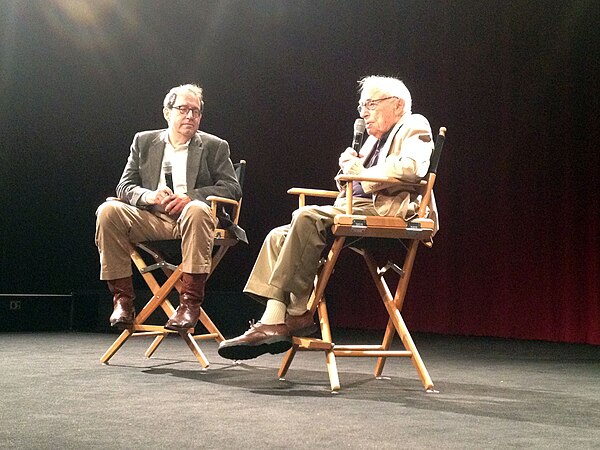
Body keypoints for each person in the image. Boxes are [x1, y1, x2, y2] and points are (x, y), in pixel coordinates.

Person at [218, 75, 436, 360]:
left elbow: (411, 168)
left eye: (371, 104)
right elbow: (355, 183)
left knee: (306, 216)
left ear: (398, 104)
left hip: (391, 212)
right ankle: (283, 316)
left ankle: (290, 315)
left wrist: (359, 170)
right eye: (361, 106)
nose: (363, 113)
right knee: (277, 236)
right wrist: (347, 172)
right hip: (355, 208)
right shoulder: (371, 141)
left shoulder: (414, 124)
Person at [95, 83, 241, 331]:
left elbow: (232, 187)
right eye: (183, 109)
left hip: (195, 220)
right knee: (108, 211)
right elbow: (125, 186)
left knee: (196, 209)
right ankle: (123, 301)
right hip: (152, 218)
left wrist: (190, 197)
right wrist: (149, 196)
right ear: (167, 112)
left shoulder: (215, 145)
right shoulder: (144, 141)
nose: (190, 116)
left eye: (195, 112)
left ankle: (189, 305)